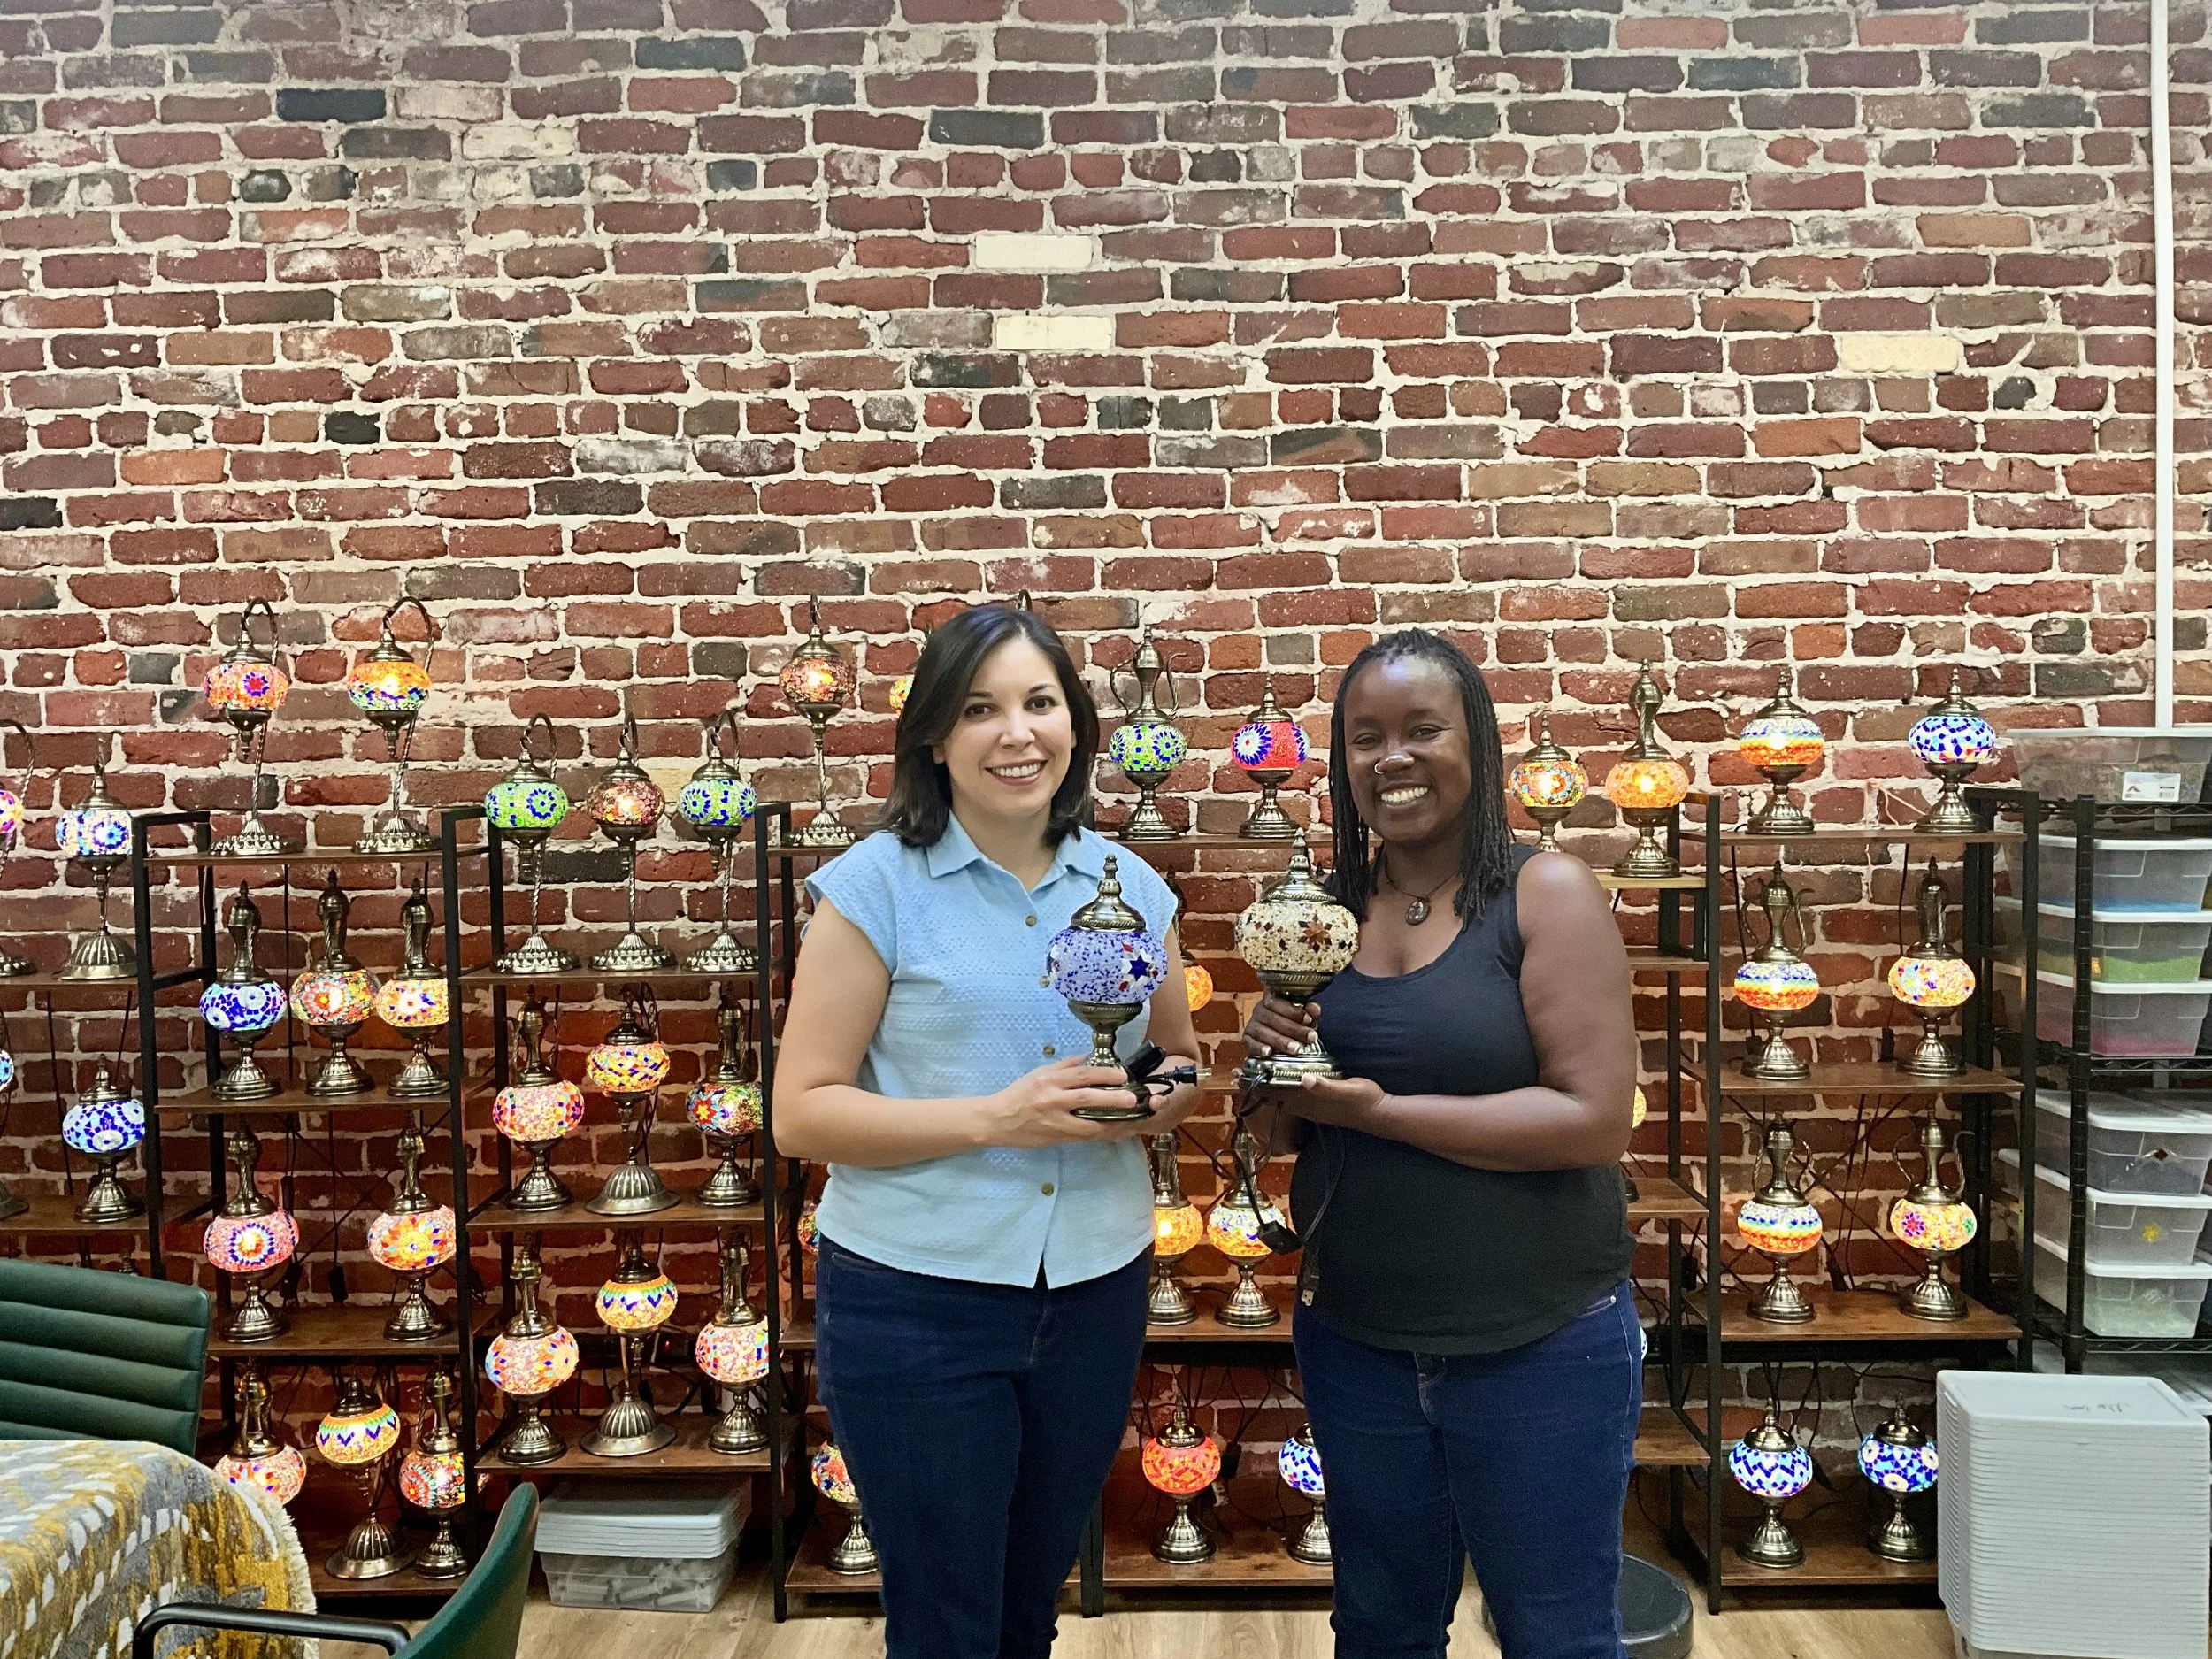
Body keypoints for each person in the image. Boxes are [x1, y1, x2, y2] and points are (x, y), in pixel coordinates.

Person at [776, 602, 1202, 1659]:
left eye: (1040, 703)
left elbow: (1178, 1060)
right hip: (915, 1302)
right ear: (932, 736)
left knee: (1024, 1613)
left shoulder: (1133, 888)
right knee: (944, 1626)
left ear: (1076, 727)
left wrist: (1148, 1103)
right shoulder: (873, 889)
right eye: (979, 709)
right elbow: (800, 1112)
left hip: (1093, 1292)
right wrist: (998, 1119)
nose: (1017, 734)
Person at [1243, 629, 1641, 1659]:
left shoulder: (1545, 894)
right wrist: (1267, 1055)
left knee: (1555, 1634)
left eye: (1423, 730)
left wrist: (1380, 1113)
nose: (1393, 758)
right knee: (1380, 1629)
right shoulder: (1322, 915)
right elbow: (1284, 1129)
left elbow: (1593, 1119)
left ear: (1478, 744)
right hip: (1356, 1337)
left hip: (1538, 1342)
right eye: (1365, 738)